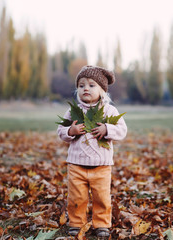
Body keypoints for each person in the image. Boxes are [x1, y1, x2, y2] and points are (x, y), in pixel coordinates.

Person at [57, 65, 127, 237]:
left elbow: (122, 130)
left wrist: (107, 129)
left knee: (101, 197)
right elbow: (61, 131)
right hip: (76, 165)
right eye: (81, 86)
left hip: (101, 166)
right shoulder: (73, 111)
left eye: (91, 85)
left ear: (102, 90)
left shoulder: (109, 110)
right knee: (76, 197)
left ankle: (102, 223)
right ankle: (76, 222)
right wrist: (70, 132)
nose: (85, 88)